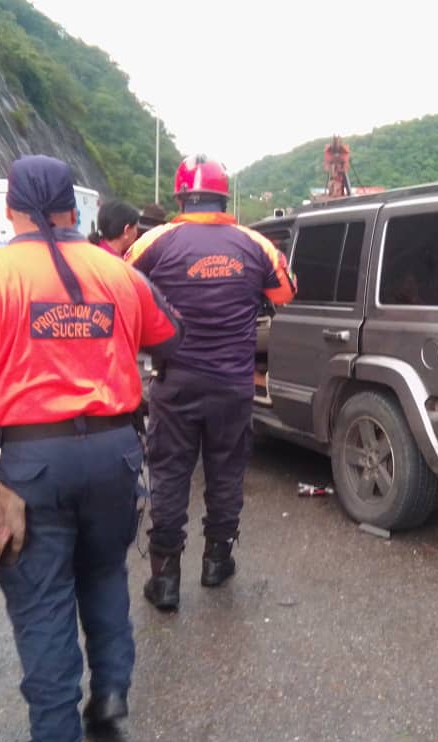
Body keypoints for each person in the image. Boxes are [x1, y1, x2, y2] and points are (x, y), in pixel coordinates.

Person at [0, 155, 184, 742]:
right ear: (76, 210)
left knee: (41, 602)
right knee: (104, 573)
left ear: (9, 209)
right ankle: (111, 694)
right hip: (116, 454)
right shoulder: (117, 273)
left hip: (29, 465)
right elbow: (171, 336)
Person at [126, 154, 296, 611]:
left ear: (181, 195)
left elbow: (120, 288)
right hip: (232, 386)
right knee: (226, 471)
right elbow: (286, 291)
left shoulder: (155, 241)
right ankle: (217, 562)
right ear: (223, 195)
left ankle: (164, 579)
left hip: (174, 381)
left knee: (169, 472)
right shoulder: (255, 243)